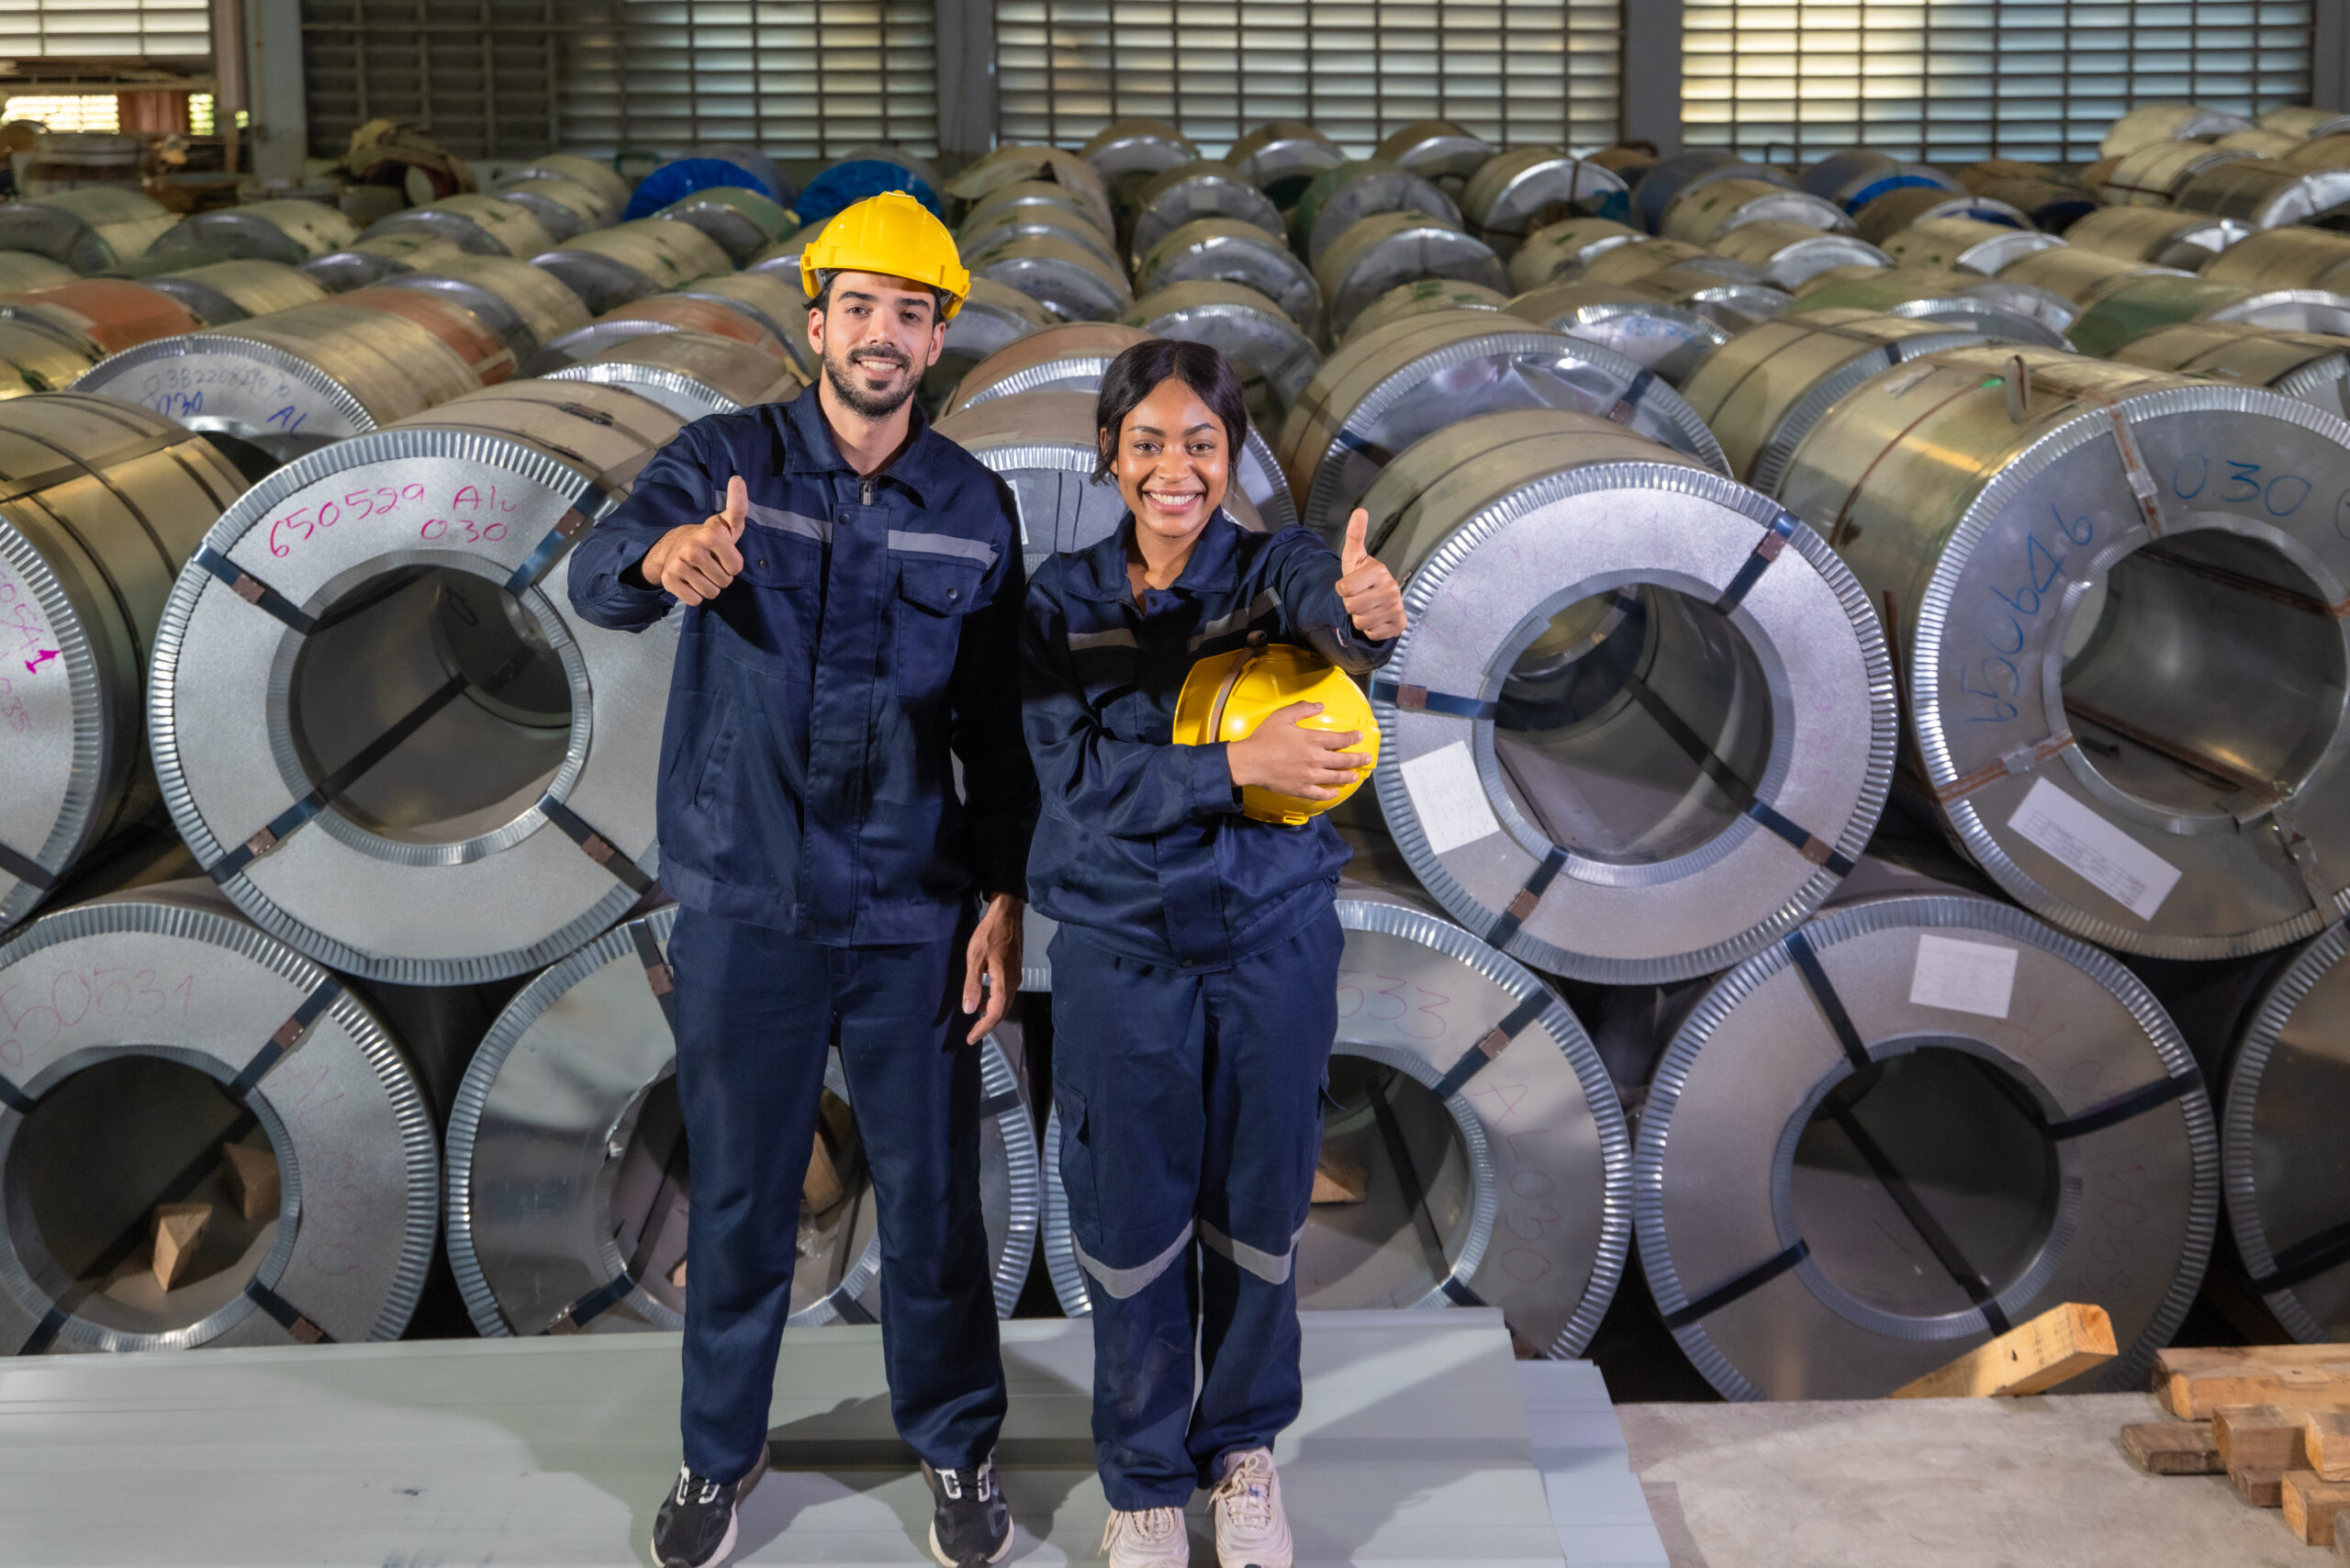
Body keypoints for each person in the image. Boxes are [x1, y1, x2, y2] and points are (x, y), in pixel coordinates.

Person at [568, 190, 1036, 1568]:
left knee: (935, 1197)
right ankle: (721, 1454)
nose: (882, 335)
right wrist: (664, 555)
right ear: (814, 320)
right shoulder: (727, 459)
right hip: (748, 900)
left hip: (913, 910)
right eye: (860, 308)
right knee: (743, 1193)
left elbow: (998, 735)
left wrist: (1004, 900)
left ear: (937, 338)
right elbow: (600, 576)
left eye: (911, 312)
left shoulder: (973, 503)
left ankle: (955, 1444)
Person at [1020, 340, 1408, 1568]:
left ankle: (1241, 1455)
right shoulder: (1056, 603)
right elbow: (1076, 784)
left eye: (1201, 443)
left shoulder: (1269, 569)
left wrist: (1358, 619)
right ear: (1109, 456)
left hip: (1267, 945)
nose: (1174, 468)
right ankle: (1142, 1481)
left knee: (1259, 1210)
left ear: (1233, 458)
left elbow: (1324, 605)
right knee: (1129, 1221)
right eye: (1148, 443)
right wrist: (1237, 767)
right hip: (1122, 955)